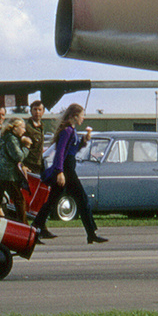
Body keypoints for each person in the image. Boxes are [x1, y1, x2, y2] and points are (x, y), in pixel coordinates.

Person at [33, 104, 106, 243]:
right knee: (82, 199)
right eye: (81, 115)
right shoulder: (67, 131)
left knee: (52, 201)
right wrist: (60, 172)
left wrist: (84, 141)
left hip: (67, 169)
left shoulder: (71, 131)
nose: (83, 118)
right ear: (74, 116)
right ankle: (91, 233)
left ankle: (36, 229)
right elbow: (60, 152)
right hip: (66, 170)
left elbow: (72, 150)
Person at [0, 117, 31, 221]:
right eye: (22, 127)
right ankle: (23, 225)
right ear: (15, 128)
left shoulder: (3, 137)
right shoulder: (12, 139)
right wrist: (27, 147)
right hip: (8, 175)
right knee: (19, 200)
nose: (24, 130)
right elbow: (18, 156)